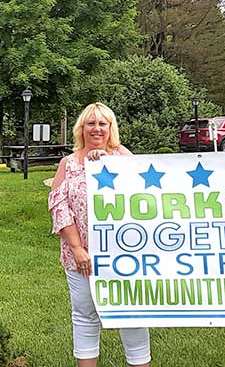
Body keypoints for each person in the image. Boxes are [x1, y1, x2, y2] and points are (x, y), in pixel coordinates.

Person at [48, 102, 151, 367]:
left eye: (102, 123)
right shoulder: (68, 164)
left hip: (123, 255)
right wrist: (77, 248)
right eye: (90, 123)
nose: (96, 129)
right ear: (81, 128)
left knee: (132, 313)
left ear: (110, 128)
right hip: (80, 256)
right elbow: (59, 206)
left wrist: (108, 161)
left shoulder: (122, 156)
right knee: (85, 315)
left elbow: (146, 194)